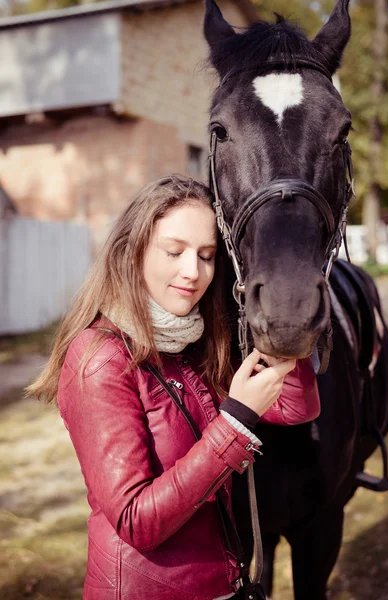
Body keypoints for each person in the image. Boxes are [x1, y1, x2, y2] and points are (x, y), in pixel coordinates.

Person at [28, 175, 320, 600]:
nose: (193, 272)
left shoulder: (190, 344)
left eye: (207, 255)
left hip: (220, 584)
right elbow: (135, 521)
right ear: (133, 252)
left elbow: (297, 408)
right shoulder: (99, 357)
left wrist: (282, 323)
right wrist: (235, 422)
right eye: (174, 251)